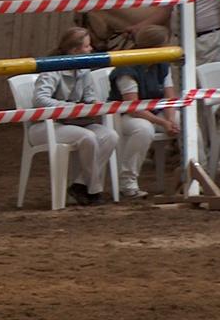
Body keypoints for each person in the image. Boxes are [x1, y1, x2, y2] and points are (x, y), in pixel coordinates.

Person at [32, 27, 118, 206]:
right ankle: (94, 190)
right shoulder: (51, 68)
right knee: (88, 138)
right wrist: (70, 107)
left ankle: (79, 184)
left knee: (110, 136)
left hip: (75, 121)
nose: (91, 50)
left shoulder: (84, 69)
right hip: (48, 125)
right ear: (74, 51)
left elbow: (88, 96)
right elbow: (40, 99)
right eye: (87, 47)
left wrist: (92, 103)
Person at [107, 25, 180, 199]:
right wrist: (163, 123)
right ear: (153, 48)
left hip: (156, 110)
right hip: (125, 114)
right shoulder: (126, 69)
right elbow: (134, 107)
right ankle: (128, 183)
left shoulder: (162, 64)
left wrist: (171, 119)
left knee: (186, 121)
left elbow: (170, 96)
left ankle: (194, 175)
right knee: (143, 129)